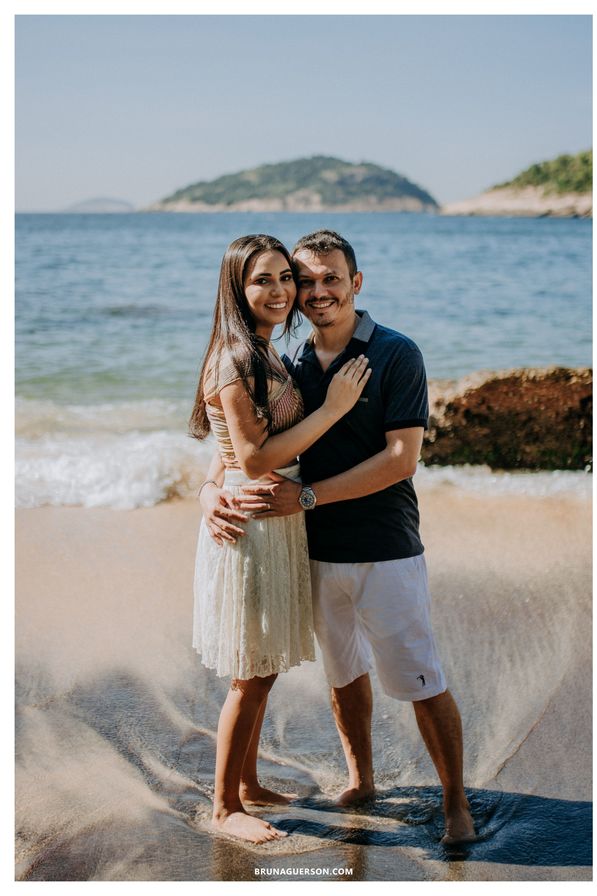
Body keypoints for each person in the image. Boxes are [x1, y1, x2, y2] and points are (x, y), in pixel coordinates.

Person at [202, 230, 477, 845]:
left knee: (420, 678)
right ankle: (361, 780)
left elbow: (401, 460)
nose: (316, 291)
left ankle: (456, 802)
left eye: (331, 278)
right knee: (343, 673)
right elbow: (239, 444)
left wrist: (304, 497)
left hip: (386, 547)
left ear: (357, 282)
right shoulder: (287, 360)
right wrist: (207, 493)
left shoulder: (397, 354)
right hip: (310, 550)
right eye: (306, 281)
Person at [190, 234, 370, 844]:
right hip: (254, 523)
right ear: (237, 290)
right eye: (262, 280)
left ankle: (246, 784)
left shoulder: (267, 352)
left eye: (284, 279)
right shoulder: (236, 358)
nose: (281, 291)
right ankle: (223, 807)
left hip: (274, 519)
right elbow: (252, 456)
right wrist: (334, 409)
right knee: (252, 672)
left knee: (261, 663)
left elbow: (226, 457)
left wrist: (207, 486)